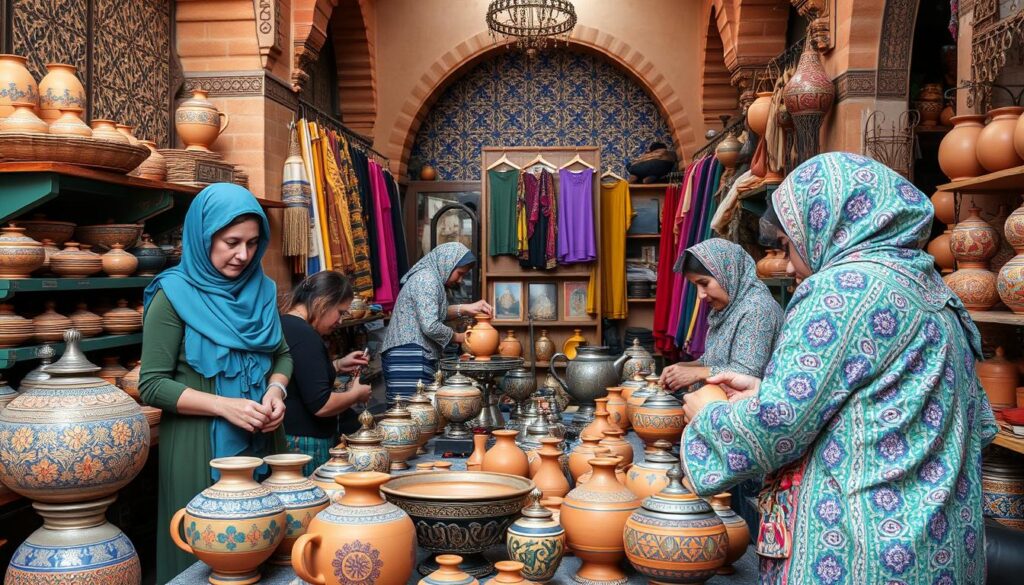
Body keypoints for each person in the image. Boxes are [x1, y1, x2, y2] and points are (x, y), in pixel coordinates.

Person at [680, 153, 996, 583]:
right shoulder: (926, 283)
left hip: (862, 550)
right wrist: (764, 388)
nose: (789, 266)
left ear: (827, 224)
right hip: (936, 542)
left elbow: (780, 425)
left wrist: (710, 416)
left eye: (790, 247)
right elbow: (887, 403)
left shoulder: (842, 288)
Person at [139, 183, 293, 583]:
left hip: (265, 438)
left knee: (269, 552)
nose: (243, 255)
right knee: (203, 558)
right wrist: (224, 406)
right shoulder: (171, 294)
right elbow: (152, 384)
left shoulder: (261, 289)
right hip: (198, 445)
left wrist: (276, 390)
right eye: (231, 242)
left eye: (253, 243)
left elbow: (281, 354)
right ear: (203, 235)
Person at [659, 238, 783, 392]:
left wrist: (696, 373)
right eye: (695, 286)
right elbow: (713, 360)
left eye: (704, 283)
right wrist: (681, 368)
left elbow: (746, 374)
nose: (701, 295)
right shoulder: (729, 310)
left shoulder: (758, 310)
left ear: (728, 273)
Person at [280, 270, 373, 474]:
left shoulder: (287, 324)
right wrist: (355, 395)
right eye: (340, 312)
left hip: (292, 437)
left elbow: (299, 376)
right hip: (305, 444)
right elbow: (320, 405)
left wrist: (338, 365)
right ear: (323, 302)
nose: (340, 321)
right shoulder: (305, 335)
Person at [381, 242, 492, 404]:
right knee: (409, 415)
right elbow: (430, 325)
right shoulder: (427, 280)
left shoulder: (430, 277)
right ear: (447, 263)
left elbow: (432, 312)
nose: (460, 280)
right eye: (460, 273)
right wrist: (460, 337)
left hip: (411, 352)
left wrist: (466, 309)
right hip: (408, 355)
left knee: (417, 415)